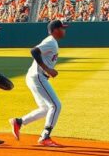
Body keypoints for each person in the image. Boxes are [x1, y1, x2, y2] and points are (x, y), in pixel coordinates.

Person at [9, 20, 68, 148]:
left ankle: (19, 122)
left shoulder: (53, 42)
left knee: (46, 108)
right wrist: (47, 69)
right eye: (62, 28)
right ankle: (45, 137)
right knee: (56, 105)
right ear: (55, 30)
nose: (64, 30)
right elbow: (34, 51)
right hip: (38, 77)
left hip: (36, 77)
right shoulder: (51, 41)